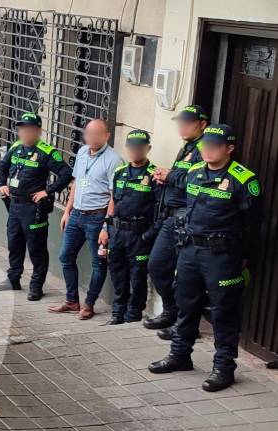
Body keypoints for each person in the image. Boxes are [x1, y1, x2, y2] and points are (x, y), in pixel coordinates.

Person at [149, 125, 261, 392]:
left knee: (224, 311)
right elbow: (177, 189)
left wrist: (244, 257)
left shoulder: (244, 180)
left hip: (222, 256)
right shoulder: (195, 172)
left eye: (214, 145)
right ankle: (180, 355)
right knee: (185, 304)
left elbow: (253, 225)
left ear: (229, 148)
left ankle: (224, 367)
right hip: (190, 251)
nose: (207, 149)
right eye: (205, 145)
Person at [48, 119, 122, 320]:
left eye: (97, 134)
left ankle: (89, 304)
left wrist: (106, 225)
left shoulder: (114, 160)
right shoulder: (82, 152)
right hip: (76, 215)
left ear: (107, 136)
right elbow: (76, 183)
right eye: (89, 133)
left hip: (97, 217)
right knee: (65, 257)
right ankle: (72, 301)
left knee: (98, 263)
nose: (92, 138)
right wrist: (67, 211)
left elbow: (114, 197)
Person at [145, 104, 209, 336]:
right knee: (157, 265)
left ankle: (185, 324)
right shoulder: (187, 147)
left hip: (187, 219)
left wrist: (171, 176)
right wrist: (165, 177)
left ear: (202, 124)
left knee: (185, 277)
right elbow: (183, 178)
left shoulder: (205, 148)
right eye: (180, 122)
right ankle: (171, 311)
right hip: (170, 216)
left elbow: (199, 182)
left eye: (187, 122)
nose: (182, 126)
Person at [0, 112, 72, 300]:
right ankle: (13, 279)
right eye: (21, 129)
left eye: (28, 129)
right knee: (14, 243)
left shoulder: (47, 152)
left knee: (36, 249)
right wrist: (2, 184)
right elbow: (3, 166)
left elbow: (66, 174)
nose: (24, 133)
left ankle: (36, 285)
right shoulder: (16, 147)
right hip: (14, 205)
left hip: (34, 209)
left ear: (38, 131)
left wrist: (48, 191)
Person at [104, 130, 161, 325]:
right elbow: (113, 201)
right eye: (132, 146)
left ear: (148, 148)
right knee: (117, 273)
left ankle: (134, 313)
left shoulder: (155, 175)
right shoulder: (120, 173)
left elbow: (161, 209)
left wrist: (148, 235)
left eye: (140, 147)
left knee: (137, 277)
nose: (135, 150)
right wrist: (106, 227)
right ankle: (117, 311)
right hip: (118, 232)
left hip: (140, 235)